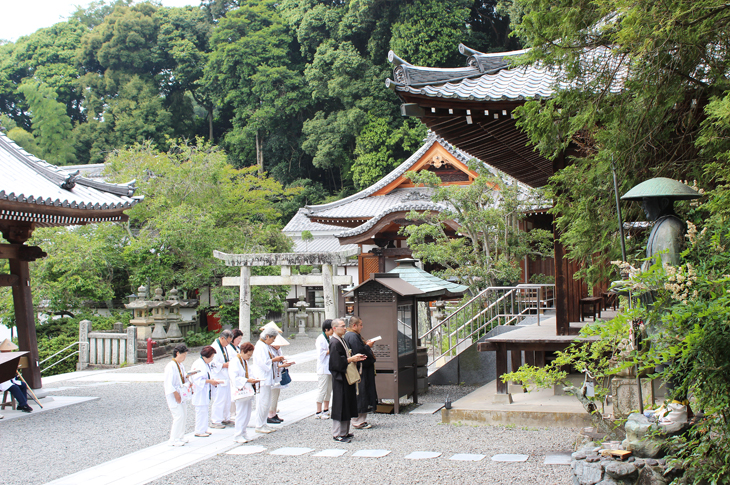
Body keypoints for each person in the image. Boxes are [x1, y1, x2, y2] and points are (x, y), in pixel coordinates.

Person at [329, 318, 367, 443]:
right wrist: (351, 359)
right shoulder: (334, 342)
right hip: (340, 378)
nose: (345, 328)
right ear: (335, 328)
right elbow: (335, 363)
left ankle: (344, 432)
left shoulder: (342, 340)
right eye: (342, 326)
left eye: (345, 326)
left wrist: (353, 358)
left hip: (346, 376)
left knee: (347, 404)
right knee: (340, 405)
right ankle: (337, 433)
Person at [344, 315, 377, 429]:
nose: (362, 327)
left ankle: (360, 420)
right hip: (360, 369)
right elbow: (360, 353)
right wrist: (367, 346)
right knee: (361, 394)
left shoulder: (351, 335)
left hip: (361, 369)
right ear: (354, 325)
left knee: (362, 393)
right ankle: (358, 420)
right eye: (360, 325)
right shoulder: (352, 336)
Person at [252, 327, 284, 433]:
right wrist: (274, 360)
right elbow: (263, 363)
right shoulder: (260, 346)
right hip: (262, 377)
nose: (273, 341)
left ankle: (263, 423)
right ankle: (259, 425)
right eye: (273, 338)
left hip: (267, 377)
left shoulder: (265, 346)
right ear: (267, 337)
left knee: (266, 402)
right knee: (262, 402)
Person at [190, 346, 224, 437]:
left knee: (204, 410)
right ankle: (199, 430)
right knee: (200, 411)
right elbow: (196, 379)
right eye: (212, 357)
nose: (212, 359)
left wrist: (212, 381)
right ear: (207, 356)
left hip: (205, 390)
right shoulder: (198, 364)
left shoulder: (205, 363)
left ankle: (204, 428)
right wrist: (210, 381)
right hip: (200, 391)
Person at [228, 342, 259, 443]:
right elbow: (234, 377)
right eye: (248, 354)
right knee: (241, 412)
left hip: (247, 388)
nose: (249, 357)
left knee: (247, 412)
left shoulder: (243, 361)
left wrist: (253, 378)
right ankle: (238, 434)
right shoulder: (234, 362)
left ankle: (243, 432)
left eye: (250, 355)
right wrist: (247, 380)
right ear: (242, 352)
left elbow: (249, 373)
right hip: (240, 389)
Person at [164, 344, 190, 446]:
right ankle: (173, 439)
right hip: (173, 393)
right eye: (183, 356)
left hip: (180, 391)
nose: (184, 358)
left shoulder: (180, 365)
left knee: (183, 414)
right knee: (178, 415)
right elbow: (168, 383)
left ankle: (180, 436)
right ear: (177, 353)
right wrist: (176, 394)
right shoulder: (170, 366)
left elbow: (182, 377)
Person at [210, 329, 234, 429]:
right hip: (218, 376)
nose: (228, 344)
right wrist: (224, 365)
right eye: (227, 342)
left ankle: (225, 418)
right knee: (219, 400)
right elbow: (213, 363)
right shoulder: (214, 347)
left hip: (226, 376)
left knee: (227, 399)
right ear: (223, 338)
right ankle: (215, 420)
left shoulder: (224, 347)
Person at [268, 333, 294, 425]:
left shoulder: (277, 350)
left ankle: (273, 413)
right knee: (272, 395)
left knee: (276, 394)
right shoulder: (269, 350)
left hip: (278, 374)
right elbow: (271, 364)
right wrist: (282, 365)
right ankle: (270, 414)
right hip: (273, 375)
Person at [0, 339, 32, 413]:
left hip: (9, 380)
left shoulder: (10, 358)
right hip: (2, 381)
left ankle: (22, 404)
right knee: (15, 387)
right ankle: (24, 404)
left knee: (23, 384)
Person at [315, 319, 334, 419]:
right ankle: (318, 411)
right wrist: (330, 351)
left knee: (329, 389)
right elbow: (320, 355)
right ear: (326, 329)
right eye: (331, 329)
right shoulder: (320, 339)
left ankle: (326, 409)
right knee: (322, 389)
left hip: (329, 367)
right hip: (323, 368)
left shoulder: (329, 338)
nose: (333, 331)